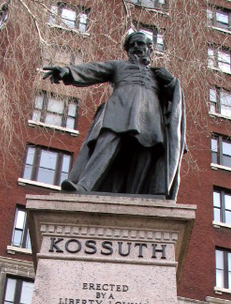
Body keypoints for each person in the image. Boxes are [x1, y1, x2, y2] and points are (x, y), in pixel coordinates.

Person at [43, 31, 186, 199]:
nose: (135, 47)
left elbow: (173, 102)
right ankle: (84, 185)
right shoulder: (119, 66)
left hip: (150, 117)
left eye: (140, 44)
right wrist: (68, 71)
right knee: (106, 143)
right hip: (119, 109)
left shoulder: (158, 74)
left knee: (145, 154)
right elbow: (94, 70)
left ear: (150, 49)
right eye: (131, 45)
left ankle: (140, 196)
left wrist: (171, 82)